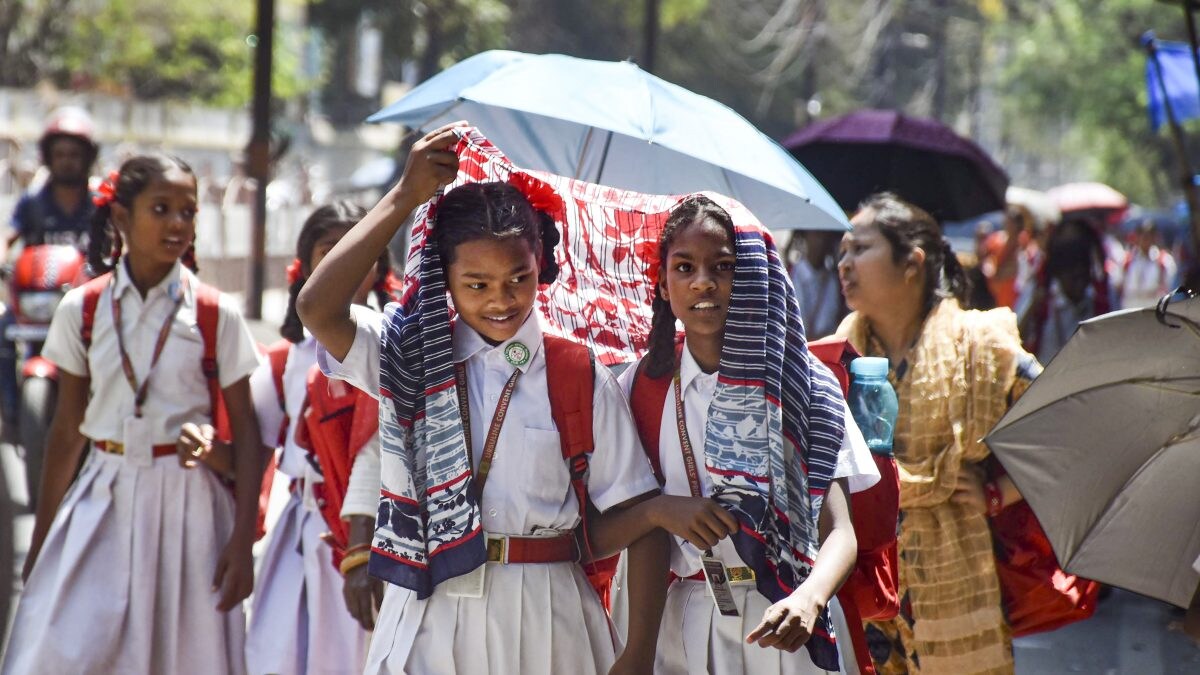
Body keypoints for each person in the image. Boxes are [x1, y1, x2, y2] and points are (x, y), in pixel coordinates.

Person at [297, 122, 667, 674]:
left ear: (541, 265)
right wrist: (403, 197)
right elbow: (317, 308)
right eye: (476, 284)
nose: (501, 299)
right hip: (429, 611)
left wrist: (637, 650)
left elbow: (636, 513)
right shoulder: (410, 355)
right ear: (443, 278)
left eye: (518, 278)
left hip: (549, 617)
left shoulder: (577, 372)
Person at [593, 195, 877, 674]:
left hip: (784, 622)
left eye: (723, 266)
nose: (703, 281)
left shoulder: (800, 383)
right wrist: (660, 512)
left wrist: (810, 598)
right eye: (684, 267)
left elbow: (841, 532)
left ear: (752, 277)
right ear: (662, 283)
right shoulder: (638, 387)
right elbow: (601, 533)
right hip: (675, 619)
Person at [2, 154, 263, 674]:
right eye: (161, 209)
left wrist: (239, 542)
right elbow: (67, 428)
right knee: (65, 647)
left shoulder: (215, 313)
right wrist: (45, 536)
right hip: (106, 492)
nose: (177, 224)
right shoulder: (84, 308)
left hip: (190, 505)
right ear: (121, 218)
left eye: (188, 212)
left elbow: (251, 436)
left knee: (184, 652)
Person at [835, 193, 1040, 674]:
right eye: (842, 251)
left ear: (913, 263)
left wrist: (999, 492)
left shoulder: (982, 344)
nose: (844, 263)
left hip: (957, 581)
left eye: (860, 249)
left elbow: (1066, 422)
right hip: (867, 589)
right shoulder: (840, 351)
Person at [0, 106, 100, 423]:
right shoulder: (32, 202)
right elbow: (8, 235)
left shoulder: (100, 202)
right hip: (39, 304)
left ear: (87, 157)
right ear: (48, 157)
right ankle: (8, 409)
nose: (67, 160)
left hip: (88, 304)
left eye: (74, 154)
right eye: (60, 154)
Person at [1016, 217, 1110, 364]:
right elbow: (1014, 340)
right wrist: (1032, 308)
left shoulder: (1100, 305)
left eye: (1083, 274)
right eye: (1073, 276)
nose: (1079, 284)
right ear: (1058, 273)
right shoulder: (1041, 302)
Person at [789, 229, 848, 340]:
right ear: (805, 236)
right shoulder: (792, 274)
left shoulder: (835, 280)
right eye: (817, 235)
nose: (821, 241)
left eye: (826, 236)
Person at [1119, 220, 1177, 309]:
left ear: (1154, 237)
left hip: (1154, 309)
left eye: (1148, 236)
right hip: (1130, 309)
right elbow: (1118, 284)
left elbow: (1171, 288)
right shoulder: (1127, 260)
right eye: (1141, 235)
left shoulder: (1164, 260)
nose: (1144, 239)